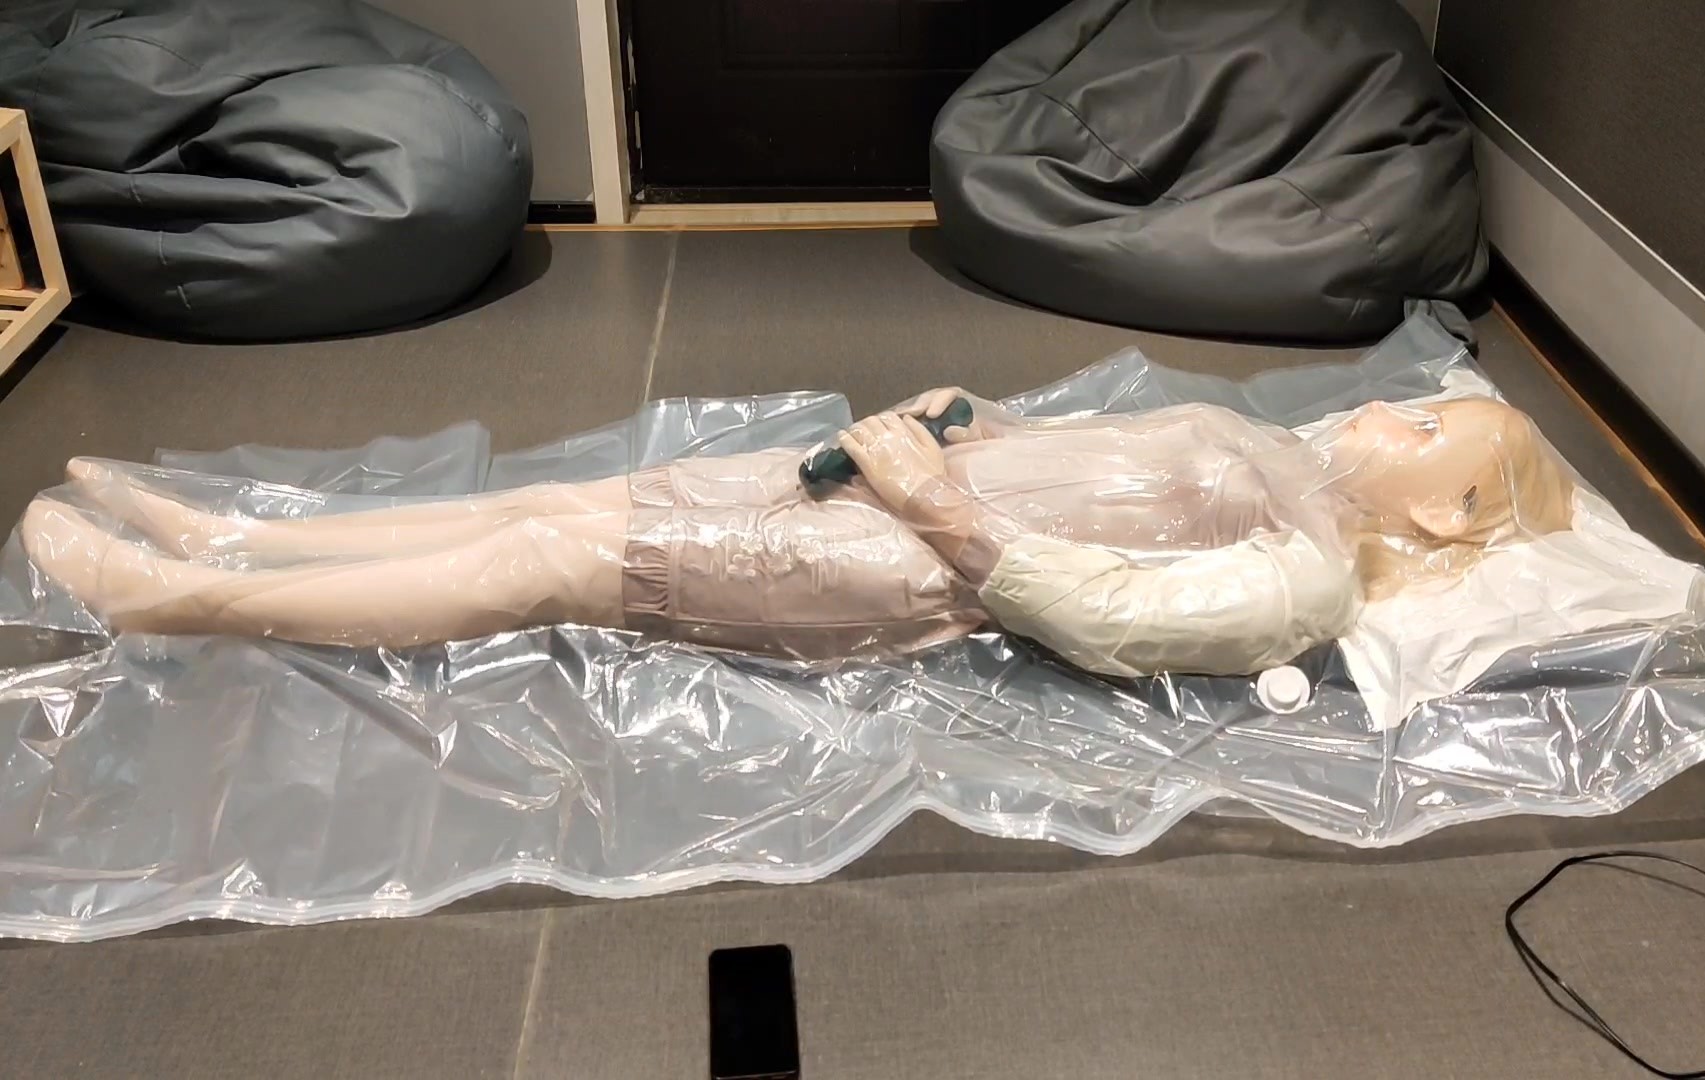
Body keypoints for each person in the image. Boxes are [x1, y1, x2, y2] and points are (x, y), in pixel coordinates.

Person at [20, 389, 1574, 678]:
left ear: (1446, 508)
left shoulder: (1312, 574)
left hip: (907, 557)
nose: (1386, 411)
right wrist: (980, 424)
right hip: (908, 486)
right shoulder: (1284, 459)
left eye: (1425, 430)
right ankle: (234, 536)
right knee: (555, 502)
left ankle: (178, 602)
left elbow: (1112, 615)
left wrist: (937, 500)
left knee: (548, 565)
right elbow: (1102, 461)